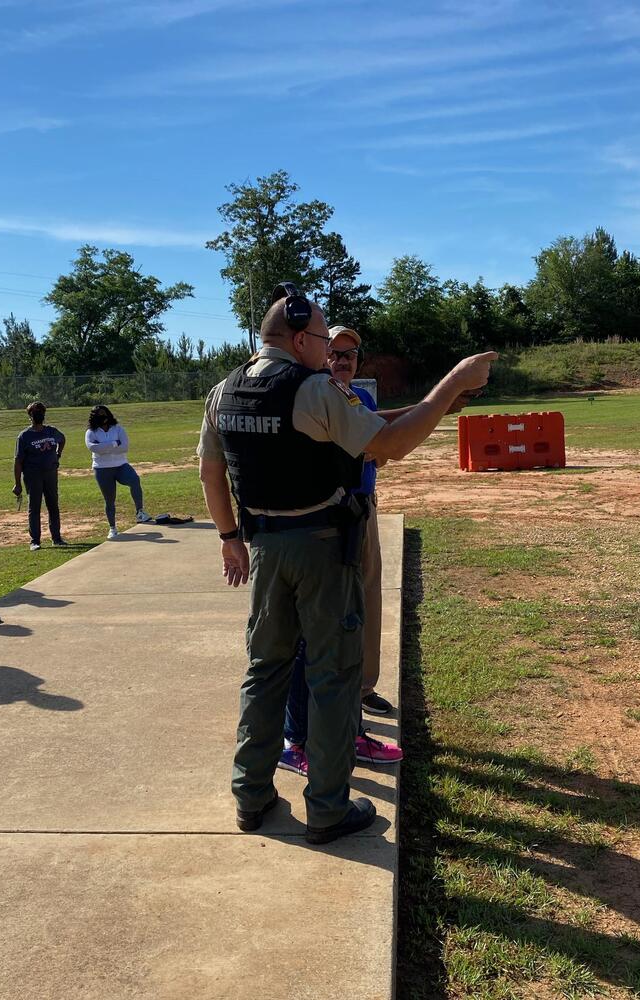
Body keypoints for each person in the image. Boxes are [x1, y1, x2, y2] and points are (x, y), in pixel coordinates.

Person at [197, 281, 496, 844]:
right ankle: (328, 808)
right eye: (320, 336)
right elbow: (389, 444)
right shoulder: (312, 390)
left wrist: (228, 536)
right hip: (321, 548)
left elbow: (212, 475)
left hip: (263, 547)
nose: (325, 349)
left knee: (265, 671)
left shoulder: (223, 392)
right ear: (301, 335)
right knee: (333, 677)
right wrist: (452, 382)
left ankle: (251, 795)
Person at [84, 404, 151, 540]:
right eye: (99, 415)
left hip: (121, 465)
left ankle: (140, 512)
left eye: (104, 413)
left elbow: (125, 447)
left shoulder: (118, 429)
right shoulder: (91, 432)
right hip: (102, 468)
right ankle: (113, 528)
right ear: (94, 418)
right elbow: (94, 448)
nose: (103, 417)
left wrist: (104, 447)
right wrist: (115, 443)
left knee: (134, 480)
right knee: (110, 500)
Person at [12, 401, 66, 551]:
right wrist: (17, 483)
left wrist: (58, 454)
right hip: (32, 475)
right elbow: (18, 461)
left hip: (50, 473)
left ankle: (57, 538)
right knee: (34, 507)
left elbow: (62, 439)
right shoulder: (24, 436)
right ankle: (35, 540)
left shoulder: (51, 431)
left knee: (53, 506)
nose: (38, 415)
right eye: (35, 413)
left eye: (41, 412)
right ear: (30, 416)